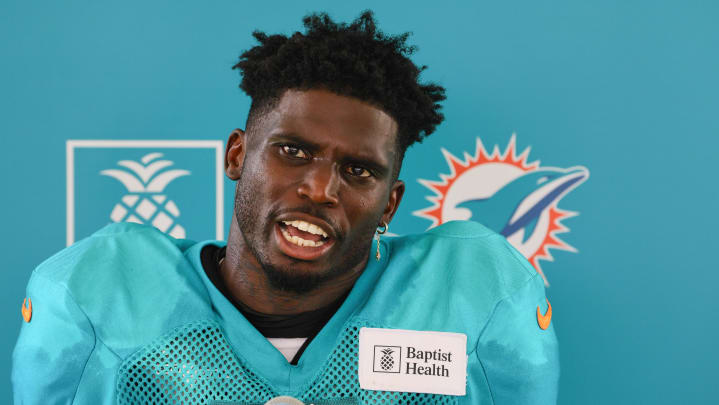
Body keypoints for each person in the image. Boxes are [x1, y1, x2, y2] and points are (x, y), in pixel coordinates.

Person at [12, 11, 559, 405]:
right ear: (237, 156)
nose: (321, 189)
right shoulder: (104, 292)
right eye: (294, 152)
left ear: (390, 203)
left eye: (358, 170)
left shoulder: (472, 295)